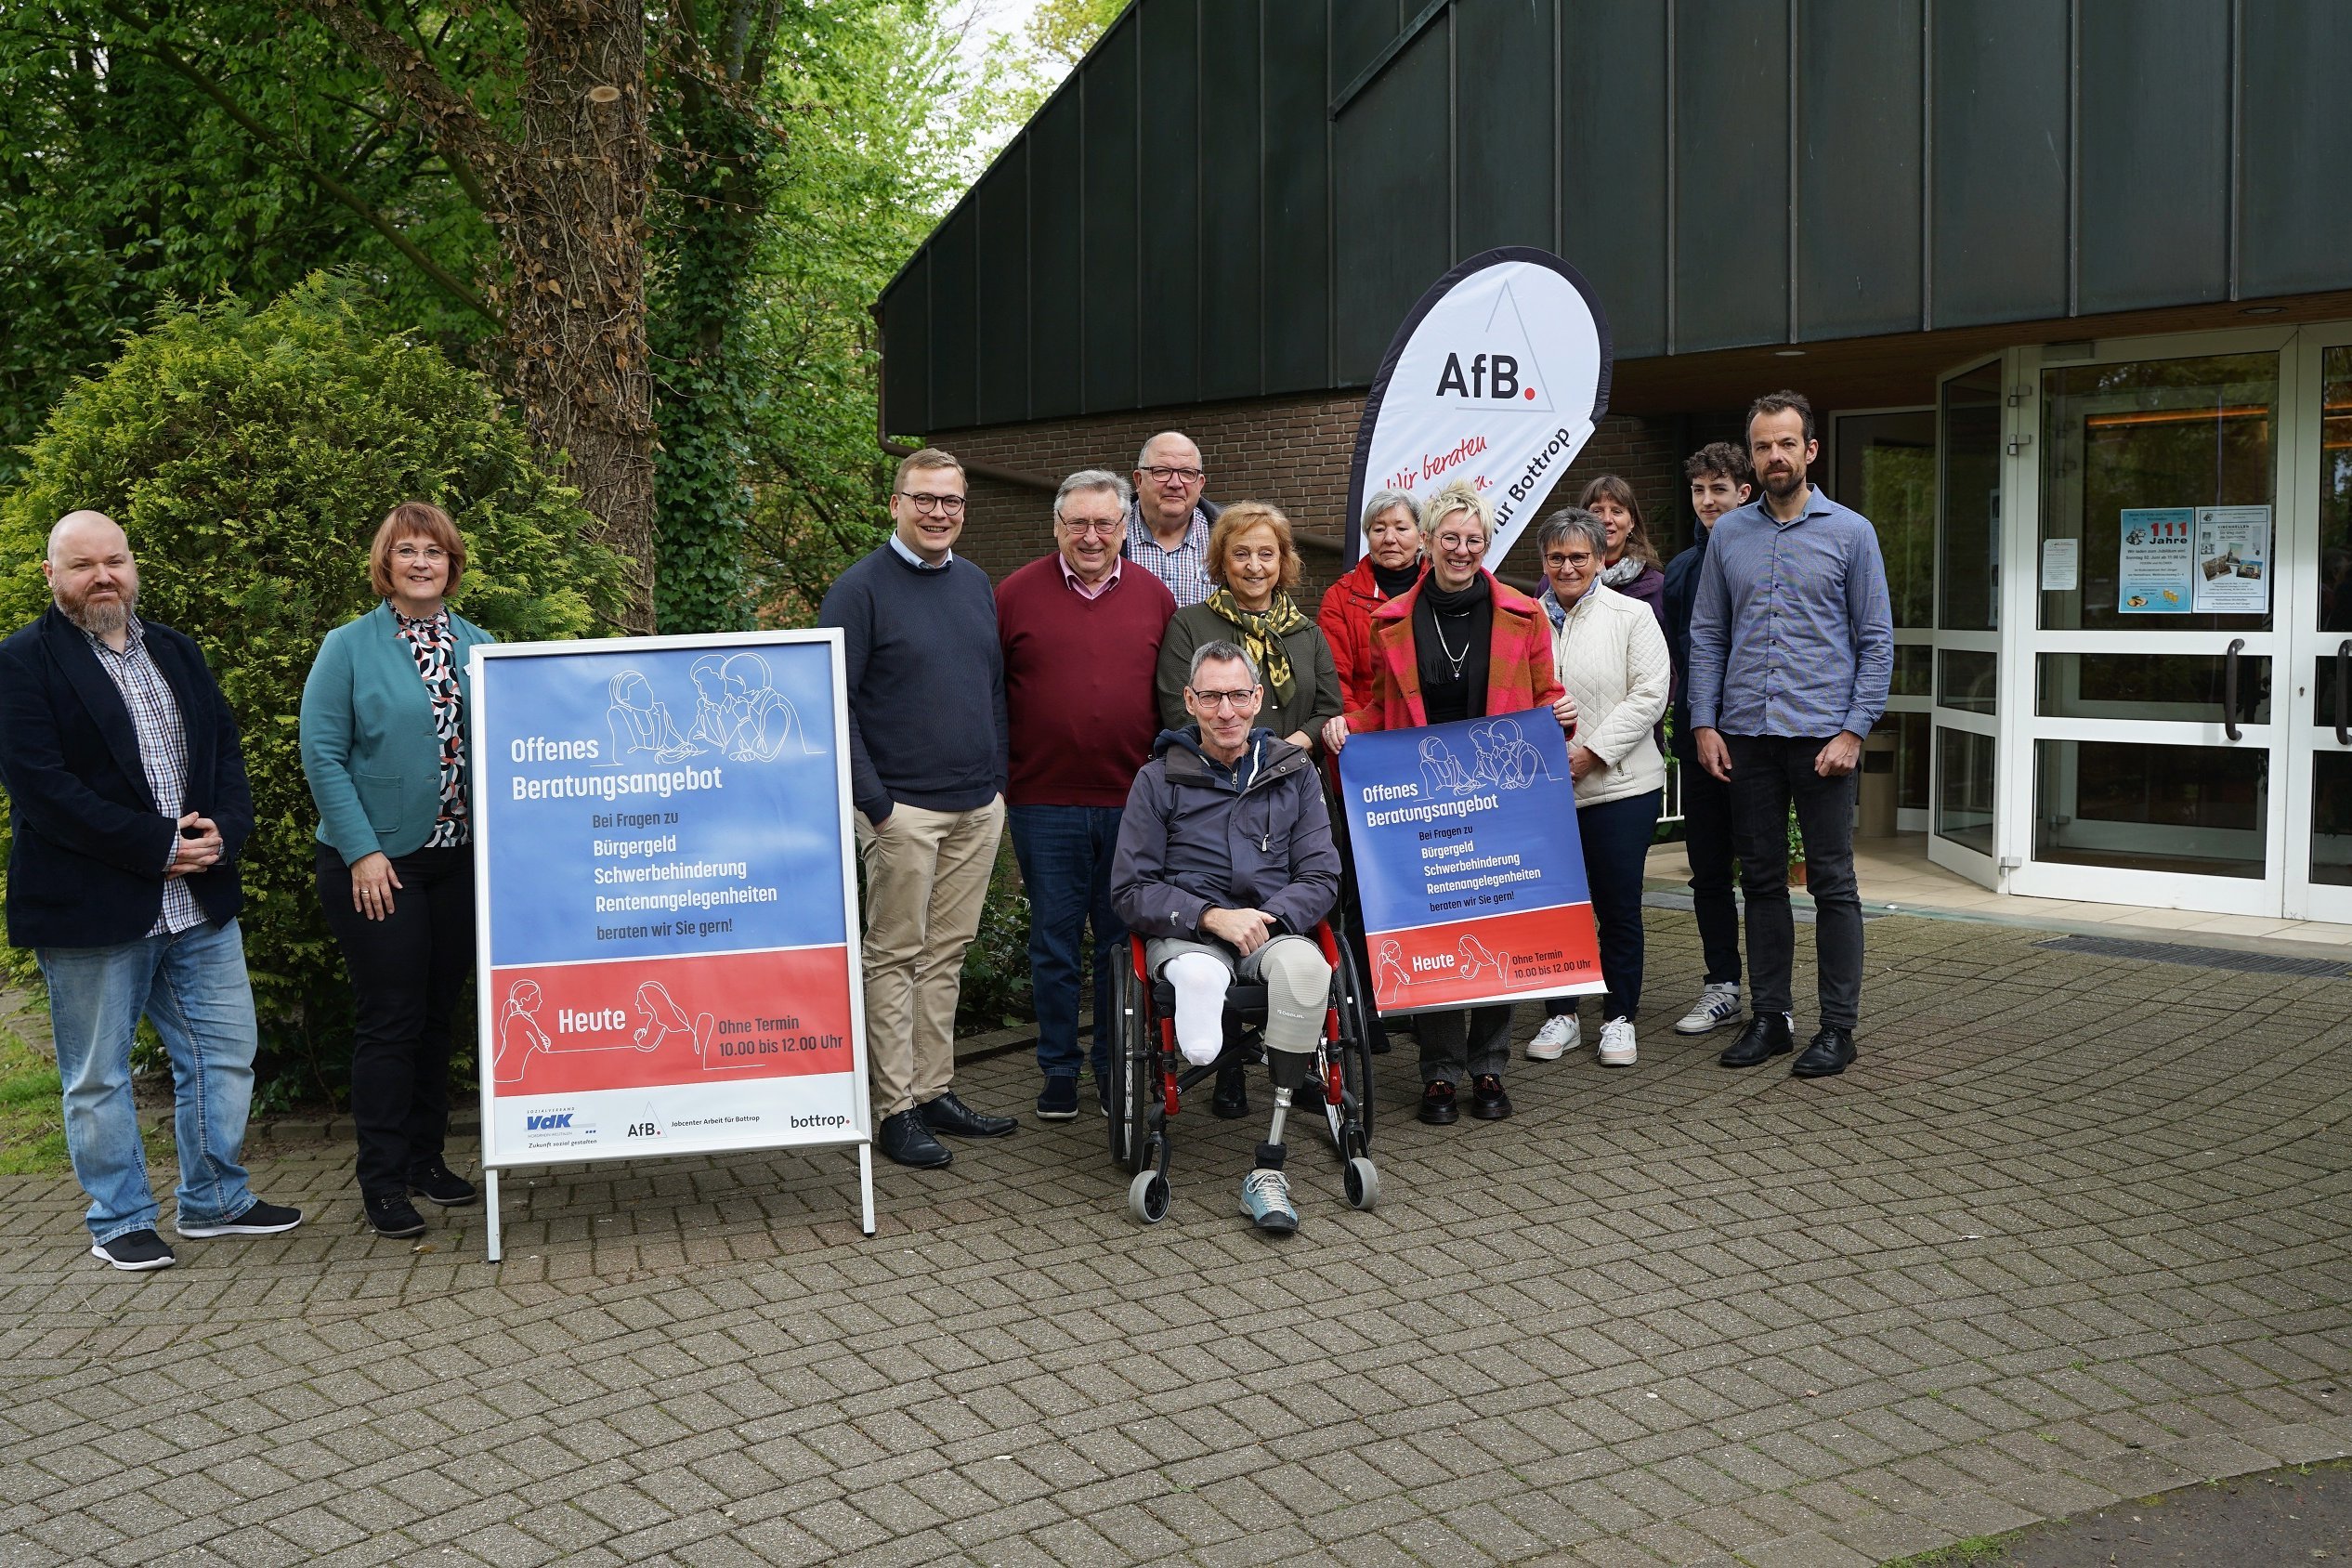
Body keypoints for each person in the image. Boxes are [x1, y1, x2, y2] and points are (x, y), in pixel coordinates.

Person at [0, 511, 301, 1270]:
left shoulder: (174, 650)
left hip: (198, 903)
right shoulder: (21, 663)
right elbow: (44, 790)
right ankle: (120, 1217)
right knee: (98, 1075)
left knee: (227, 1055)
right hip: (94, 907)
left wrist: (223, 832)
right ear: (51, 576)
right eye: (82, 565)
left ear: (133, 567)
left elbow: (223, 749)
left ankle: (214, 1200)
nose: (103, 576)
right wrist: (158, 845)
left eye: (115, 561)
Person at [1321, 479, 1569, 1127]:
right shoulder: (1389, 621)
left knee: (1497, 930)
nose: (1462, 549)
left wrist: (1562, 713)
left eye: (1474, 539)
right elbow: (1380, 705)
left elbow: (1547, 696)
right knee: (1433, 931)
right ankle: (1438, 1071)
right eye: (1450, 537)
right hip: (1426, 801)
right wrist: (1351, 725)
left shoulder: (1525, 613)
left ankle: (1489, 1065)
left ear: (1487, 543)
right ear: (1428, 542)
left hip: (1502, 798)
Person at [300, 503, 497, 1239]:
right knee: (391, 1019)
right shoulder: (348, 647)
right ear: (387, 563)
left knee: (438, 1014)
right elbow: (322, 754)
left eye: (436, 552)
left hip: (459, 862)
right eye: (407, 551)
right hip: (378, 864)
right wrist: (362, 851)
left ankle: (426, 1160)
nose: (422, 562)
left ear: (453, 565)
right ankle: (381, 1182)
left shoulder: (482, 647)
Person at [819, 448, 1019, 1168]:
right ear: (896, 503)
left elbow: (990, 686)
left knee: (946, 955)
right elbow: (832, 702)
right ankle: (893, 1109)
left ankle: (935, 1090)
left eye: (952, 502)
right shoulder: (860, 589)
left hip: (974, 806)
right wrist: (875, 805)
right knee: (895, 957)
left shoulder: (972, 583)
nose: (939, 513)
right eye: (925, 499)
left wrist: (995, 780)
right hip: (901, 811)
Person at [1689, 390, 1894, 1080]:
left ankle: (1838, 1028)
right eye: (1763, 446)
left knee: (1833, 884)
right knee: (1764, 883)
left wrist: (1854, 731)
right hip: (1746, 737)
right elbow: (1709, 634)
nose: (1774, 456)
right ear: (1753, 456)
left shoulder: (1852, 533)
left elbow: (1876, 641)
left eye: (1786, 444)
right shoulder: (1729, 536)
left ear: (1810, 451)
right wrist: (1704, 722)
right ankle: (1771, 1018)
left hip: (1823, 743)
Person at [1112, 642, 1340, 1234]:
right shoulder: (1158, 779)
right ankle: (1200, 985)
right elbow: (1131, 889)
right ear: (1189, 702)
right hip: (1186, 929)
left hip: (1272, 924)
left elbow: (1322, 875)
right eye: (1211, 697)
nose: (1226, 711)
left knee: (1311, 972)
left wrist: (1266, 919)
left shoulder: (1294, 773)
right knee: (1196, 968)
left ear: (1259, 700)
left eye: (1239, 696)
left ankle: (1269, 1164)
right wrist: (1212, 916)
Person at [996, 469, 1176, 1121]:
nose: (1092, 536)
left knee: (1120, 944)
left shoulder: (1156, 598)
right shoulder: (1014, 596)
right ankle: (1058, 1069)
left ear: (1126, 528)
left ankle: (1113, 1063)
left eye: (1105, 523)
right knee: (1053, 940)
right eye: (1079, 523)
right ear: (1057, 527)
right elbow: (993, 696)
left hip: (1133, 804)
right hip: (1043, 803)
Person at [1156, 500, 1342, 1115]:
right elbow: (1177, 709)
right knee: (1223, 901)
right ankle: (1229, 1069)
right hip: (1211, 791)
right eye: (1241, 553)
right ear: (1222, 561)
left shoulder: (1306, 632)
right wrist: (1242, 744)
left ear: (1284, 561)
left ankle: (1299, 1062)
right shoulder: (1191, 625)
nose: (1254, 565)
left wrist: (1295, 744)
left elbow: (1328, 705)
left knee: (1294, 908)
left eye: (1267, 553)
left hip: (1288, 796)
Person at [1522, 509, 1670, 1068]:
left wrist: (1591, 753)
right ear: (1543, 562)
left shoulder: (1632, 616)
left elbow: (1651, 693)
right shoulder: (1524, 620)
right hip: (1545, 794)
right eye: (1556, 557)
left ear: (1601, 559)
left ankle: (1618, 1017)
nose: (1567, 566)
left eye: (1578, 556)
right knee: (1557, 909)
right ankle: (1561, 1015)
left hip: (1621, 789)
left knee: (1617, 907)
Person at [1661, 441, 1755, 1037]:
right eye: (1699, 490)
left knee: (1765, 872)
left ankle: (1771, 997)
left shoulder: (1762, 558)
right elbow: (1683, 654)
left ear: (1744, 493)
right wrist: (1696, 724)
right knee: (1709, 871)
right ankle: (1723, 985)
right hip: (1700, 736)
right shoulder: (1680, 570)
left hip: (1757, 739)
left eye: (1719, 489)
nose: (1707, 501)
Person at [1317, 490, 1425, 712]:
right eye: (1378, 529)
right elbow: (1334, 679)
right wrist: (1361, 728)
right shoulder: (1339, 597)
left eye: (1402, 528)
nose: (1389, 539)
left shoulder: (1441, 589)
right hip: (1366, 728)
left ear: (1422, 537)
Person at [1124, 431, 1221, 607]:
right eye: (1161, 471)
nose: (1175, 483)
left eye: (1186, 473)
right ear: (1139, 481)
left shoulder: (1227, 533)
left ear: (1200, 484)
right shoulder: (1109, 531)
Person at [1580, 474, 1666, 628]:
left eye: (1617, 511)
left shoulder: (1659, 585)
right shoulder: (1560, 579)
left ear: (1632, 522)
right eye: (1597, 511)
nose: (1606, 519)